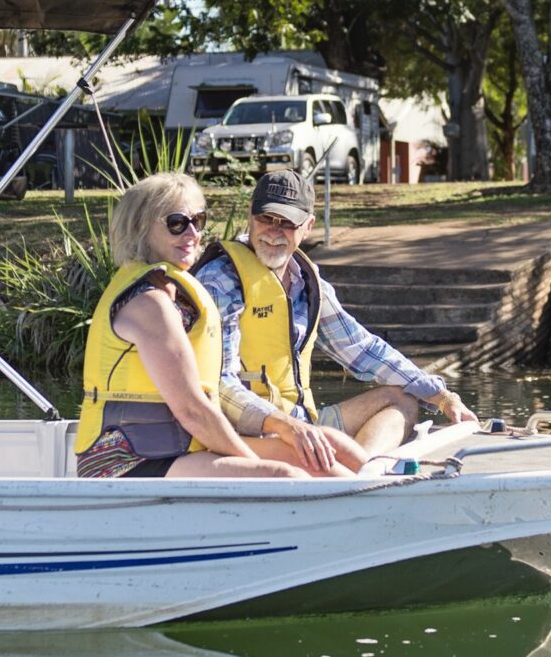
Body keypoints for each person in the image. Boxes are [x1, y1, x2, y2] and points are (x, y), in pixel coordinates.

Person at [194, 169, 474, 462]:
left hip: (303, 424)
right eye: (266, 219)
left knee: (401, 399)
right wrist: (284, 425)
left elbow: (362, 349)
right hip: (246, 436)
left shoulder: (308, 282)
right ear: (251, 216)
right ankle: (352, 473)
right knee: (341, 447)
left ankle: (360, 474)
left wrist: (441, 396)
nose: (274, 232)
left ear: (308, 226)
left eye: (288, 223)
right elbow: (219, 381)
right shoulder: (220, 280)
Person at [75, 172, 315, 480]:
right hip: (124, 462)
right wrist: (250, 462)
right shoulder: (150, 304)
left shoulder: (173, 294)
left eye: (197, 221)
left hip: (176, 450)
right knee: (283, 476)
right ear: (140, 229)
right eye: (177, 223)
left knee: (308, 458)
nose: (191, 233)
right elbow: (191, 410)